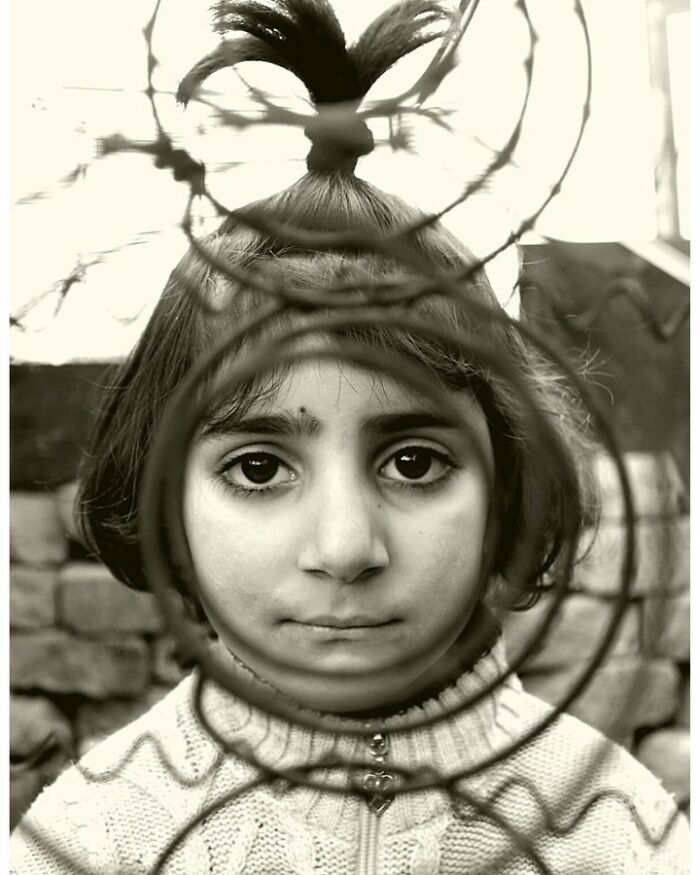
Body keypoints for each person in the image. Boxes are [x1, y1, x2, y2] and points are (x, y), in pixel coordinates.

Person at [11, 1, 689, 872]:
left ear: (508, 491)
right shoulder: (94, 839)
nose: (344, 546)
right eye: (259, 467)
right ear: (165, 501)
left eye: (414, 461)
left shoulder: (617, 835)